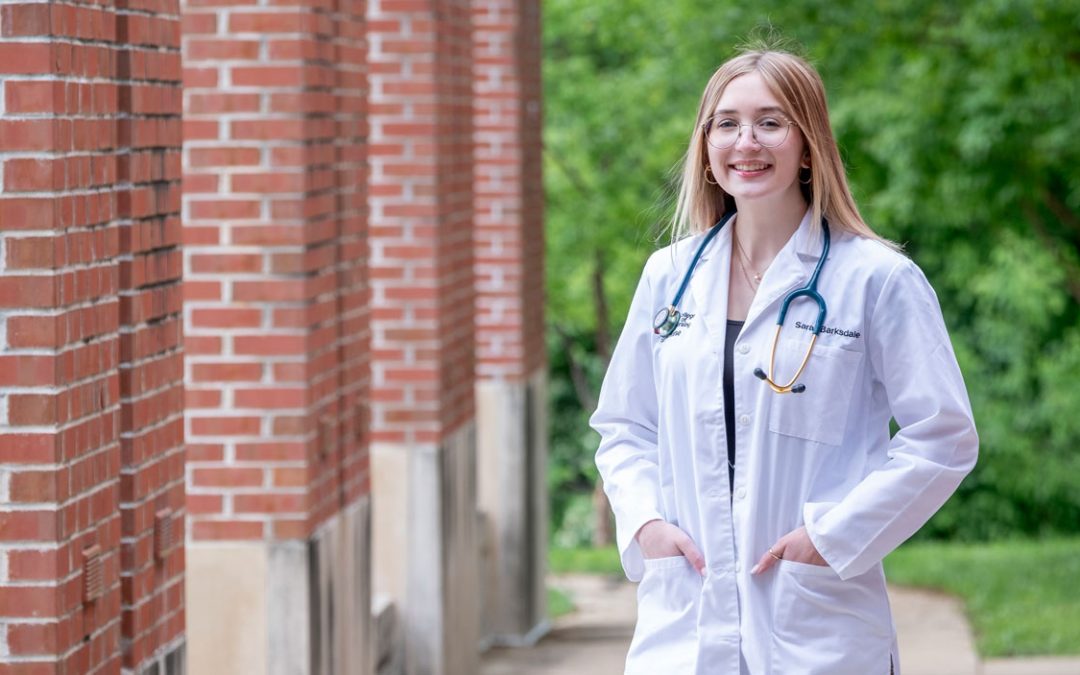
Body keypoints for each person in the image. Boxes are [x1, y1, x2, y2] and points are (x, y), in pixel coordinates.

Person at [590, 46, 978, 675]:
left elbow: (943, 438)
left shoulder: (876, 279)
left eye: (770, 122)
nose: (746, 142)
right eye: (727, 123)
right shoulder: (669, 276)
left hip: (815, 625)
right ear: (706, 148)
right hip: (685, 621)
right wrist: (646, 525)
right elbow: (625, 427)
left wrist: (832, 539)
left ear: (808, 146)